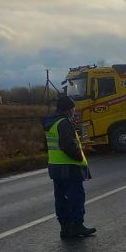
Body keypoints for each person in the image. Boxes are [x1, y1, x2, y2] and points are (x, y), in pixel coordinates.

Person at [42, 96, 96, 239]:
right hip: (69, 167)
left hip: (55, 167)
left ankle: (65, 228)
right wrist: (79, 155)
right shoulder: (64, 123)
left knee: (60, 198)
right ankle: (77, 226)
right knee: (76, 197)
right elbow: (67, 145)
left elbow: (46, 145)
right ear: (68, 109)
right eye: (73, 108)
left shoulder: (50, 122)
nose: (74, 111)